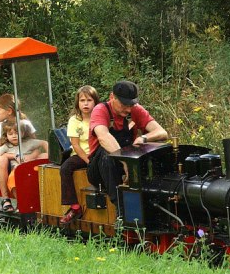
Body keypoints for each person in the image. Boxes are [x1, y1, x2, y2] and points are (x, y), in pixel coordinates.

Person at [63, 81, 168, 223]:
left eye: (131, 105)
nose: (128, 109)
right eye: (124, 104)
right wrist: (125, 161)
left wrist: (143, 138)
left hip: (128, 162)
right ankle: (121, 212)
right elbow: (103, 137)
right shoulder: (100, 110)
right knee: (106, 154)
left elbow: (162, 133)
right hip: (98, 168)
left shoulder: (135, 110)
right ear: (112, 97)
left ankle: (157, 206)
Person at [59, 85, 100, 224]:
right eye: (82, 100)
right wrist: (89, 161)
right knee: (65, 168)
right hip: (81, 154)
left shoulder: (100, 117)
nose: (86, 103)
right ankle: (74, 207)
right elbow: (75, 145)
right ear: (78, 103)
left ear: (95, 102)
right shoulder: (74, 120)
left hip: (98, 153)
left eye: (89, 100)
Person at [0, 122, 48, 212]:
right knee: (13, 179)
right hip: (18, 170)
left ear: (23, 133)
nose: (14, 136)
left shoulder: (29, 142)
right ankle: (20, 202)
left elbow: (44, 143)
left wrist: (43, 154)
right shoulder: (6, 147)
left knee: (44, 155)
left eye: (17, 133)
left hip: (31, 168)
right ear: (6, 135)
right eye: (10, 134)